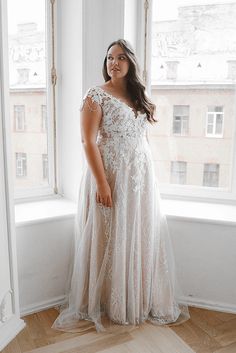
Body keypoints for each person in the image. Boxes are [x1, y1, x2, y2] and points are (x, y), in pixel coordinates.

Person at [51, 39, 190, 333]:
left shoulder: (137, 96)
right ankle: (108, 302)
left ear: (131, 64)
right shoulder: (96, 95)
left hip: (138, 180)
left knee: (136, 234)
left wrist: (143, 177)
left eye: (121, 58)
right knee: (109, 237)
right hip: (109, 177)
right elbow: (88, 141)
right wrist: (102, 184)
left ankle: (133, 298)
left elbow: (140, 139)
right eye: (109, 57)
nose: (113, 63)